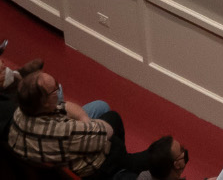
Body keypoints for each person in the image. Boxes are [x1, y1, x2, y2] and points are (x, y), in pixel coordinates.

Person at [7, 71, 152, 178]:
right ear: (44, 102)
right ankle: (120, 170)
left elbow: (63, 106)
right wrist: (88, 128)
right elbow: (106, 131)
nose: (59, 90)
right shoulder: (66, 132)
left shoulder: (20, 113)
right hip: (90, 168)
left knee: (104, 109)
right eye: (55, 89)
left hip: (57, 158)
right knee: (156, 152)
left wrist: (84, 120)